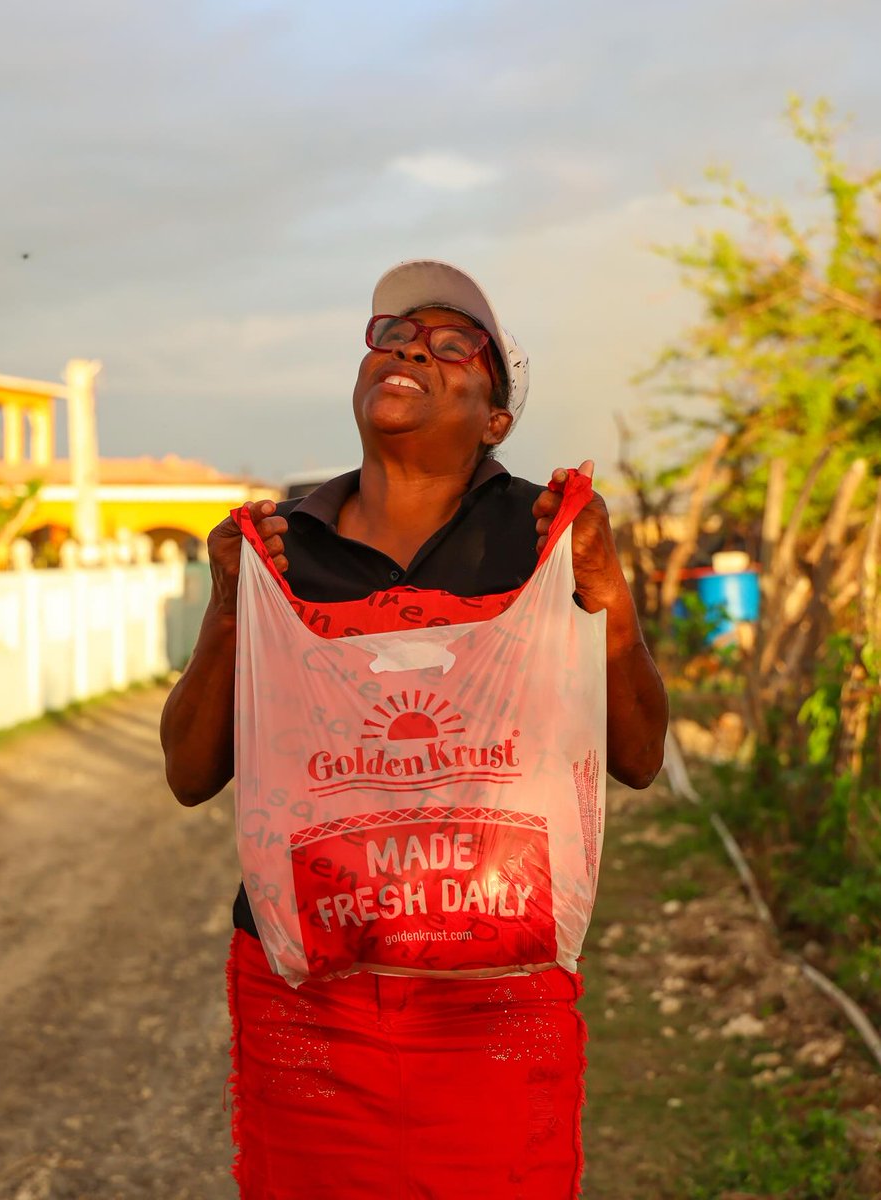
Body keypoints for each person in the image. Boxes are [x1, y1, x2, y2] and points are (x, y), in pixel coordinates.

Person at [160, 259, 668, 1199]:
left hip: (495, 991)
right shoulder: (284, 546)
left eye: (451, 345)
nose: (410, 351)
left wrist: (610, 596)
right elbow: (191, 774)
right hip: (309, 995)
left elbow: (637, 759)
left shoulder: (540, 535)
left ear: (495, 419)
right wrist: (230, 605)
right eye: (393, 336)